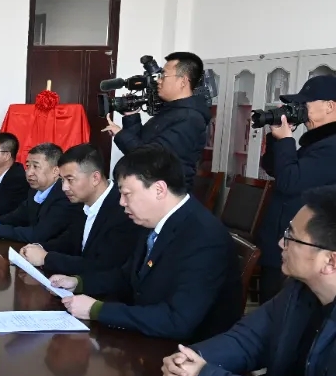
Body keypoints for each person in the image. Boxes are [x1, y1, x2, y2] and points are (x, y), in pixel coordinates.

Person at [162, 186, 336, 376]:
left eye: (292, 237)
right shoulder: (299, 290)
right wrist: (189, 361)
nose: (281, 243)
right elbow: (248, 340)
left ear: (330, 261)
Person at [50, 145, 241, 343]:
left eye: (127, 194)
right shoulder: (154, 221)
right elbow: (127, 276)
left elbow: (177, 320)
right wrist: (79, 282)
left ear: (159, 190)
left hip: (188, 350)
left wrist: (98, 310)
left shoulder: (203, 237)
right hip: (149, 335)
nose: (121, 202)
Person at [257, 75, 336, 303]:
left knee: (280, 307)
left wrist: (285, 141)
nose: (299, 109)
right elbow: (272, 168)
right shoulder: (317, 141)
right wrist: (277, 139)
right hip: (283, 240)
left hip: (302, 248)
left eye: (305, 103)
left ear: (330, 106)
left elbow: (290, 182)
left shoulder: (331, 147)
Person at [20, 143, 142, 275]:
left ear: (95, 178)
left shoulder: (123, 209)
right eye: (62, 180)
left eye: (70, 180)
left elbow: (103, 265)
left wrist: (46, 258)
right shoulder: (81, 201)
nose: (64, 187)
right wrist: (38, 248)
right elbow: (70, 241)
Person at [103, 51, 209, 191]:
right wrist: (131, 116)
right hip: (151, 189)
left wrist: (120, 134)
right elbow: (142, 143)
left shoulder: (190, 119)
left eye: (163, 76)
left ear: (183, 81)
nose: (159, 81)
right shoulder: (172, 111)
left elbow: (151, 158)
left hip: (166, 195)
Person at [0, 142, 81, 243]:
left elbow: (38, 235)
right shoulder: (34, 190)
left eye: (36, 166)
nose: (29, 173)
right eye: (27, 166)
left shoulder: (65, 195)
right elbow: (18, 216)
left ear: (55, 171)